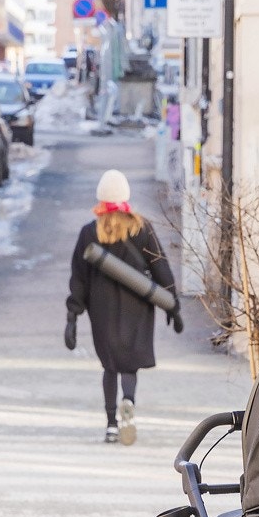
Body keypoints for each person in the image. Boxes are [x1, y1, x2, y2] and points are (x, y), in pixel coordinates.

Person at [65, 168, 182, 444]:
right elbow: (161, 267)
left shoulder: (88, 232)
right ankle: (128, 401)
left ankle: (110, 425)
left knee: (110, 365)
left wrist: (72, 316)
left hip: (101, 309)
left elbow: (78, 277)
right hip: (137, 307)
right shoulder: (142, 227)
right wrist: (172, 306)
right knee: (129, 365)